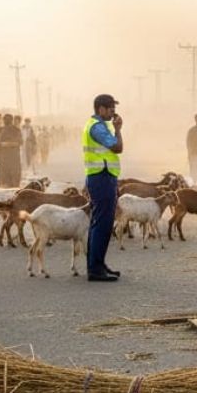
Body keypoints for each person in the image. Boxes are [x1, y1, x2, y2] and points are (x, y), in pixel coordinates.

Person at [83, 94, 124, 281]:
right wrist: (118, 130)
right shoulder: (98, 127)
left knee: (98, 223)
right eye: (110, 108)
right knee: (103, 224)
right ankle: (95, 269)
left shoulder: (95, 125)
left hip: (101, 176)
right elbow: (117, 147)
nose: (113, 112)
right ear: (100, 109)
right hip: (102, 176)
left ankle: (97, 264)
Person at [0, 113, 23, 187]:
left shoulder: (16, 130)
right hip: (4, 157)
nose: (6, 121)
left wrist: (7, 144)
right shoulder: (0, 130)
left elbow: (20, 142)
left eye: (8, 119)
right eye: (5, 119)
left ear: (11, 120)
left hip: (13, 157)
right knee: (5, 178)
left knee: (14, 177)